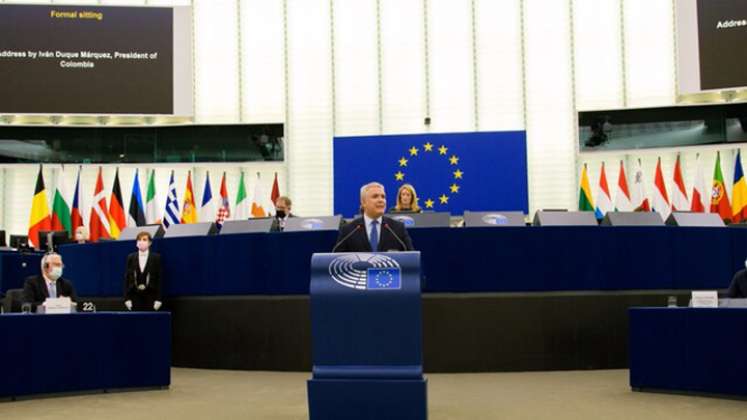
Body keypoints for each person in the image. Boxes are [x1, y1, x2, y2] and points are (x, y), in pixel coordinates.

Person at [333, 182, 414, 252]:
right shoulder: (348, 230)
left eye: (383, 197)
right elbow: (335, 260)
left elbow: (412, 259)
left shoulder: (397, 228)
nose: (381, 200)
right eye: (375, 196)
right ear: (363, 202)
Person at [124, 231, 163, 311]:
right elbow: (127, 279)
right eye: (139, 240)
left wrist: (159, 299)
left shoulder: (156, 258)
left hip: (151, 297)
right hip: (134, 297)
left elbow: (160, 279)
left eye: (144, 240)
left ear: (150, 243)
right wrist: (127, 298)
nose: (141, 242)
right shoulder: (130, 257)